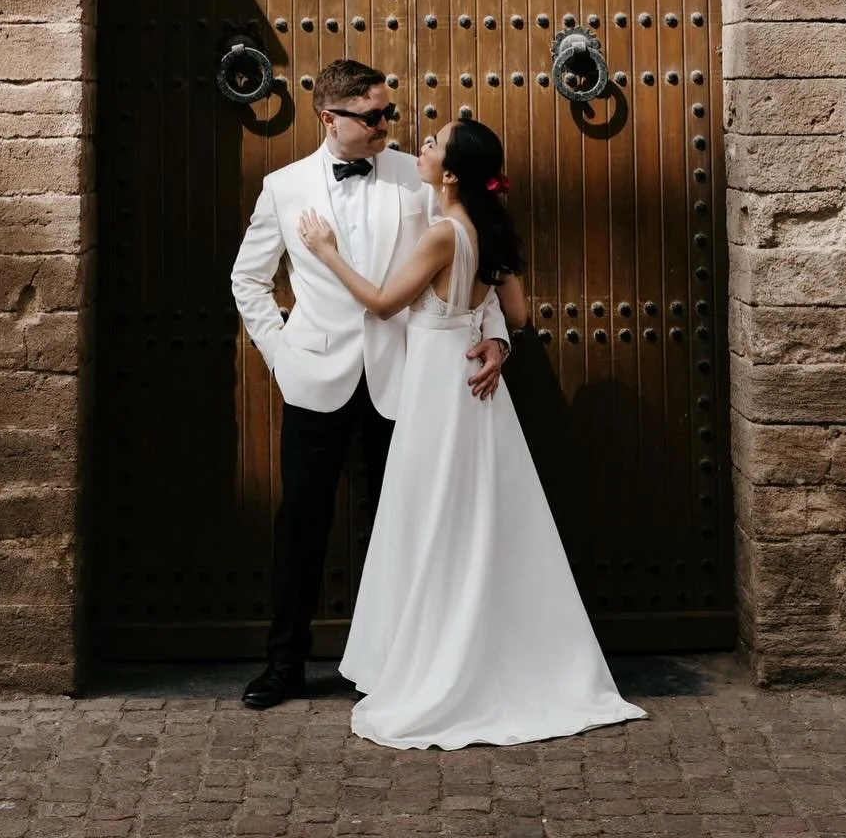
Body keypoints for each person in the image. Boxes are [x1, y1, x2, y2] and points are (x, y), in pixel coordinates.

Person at [297, 118, 646, 750]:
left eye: (433, 145)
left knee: (432, 516)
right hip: (472, 381)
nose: (421, 147)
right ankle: (482, 650)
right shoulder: (489, 229)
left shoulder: (441, 235)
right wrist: (492, 340)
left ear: (451, 173)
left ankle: (434, 662)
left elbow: (381, 303)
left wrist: (325, 251)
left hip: (437, 384)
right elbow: (514, 312)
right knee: (478, 514)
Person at [230, 60, 512, 710]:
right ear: (329, 118)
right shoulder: (283, 186)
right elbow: (248, 278)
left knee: (410, 520)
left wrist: (495, 335)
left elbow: (477, 258)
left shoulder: (418, 178)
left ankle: (409, 664)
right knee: (300, 521)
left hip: (408, 380)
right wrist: (282, 354)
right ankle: (284, 664)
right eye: (374, 115)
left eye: (389, 112)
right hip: (314, 376)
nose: (388, 123)